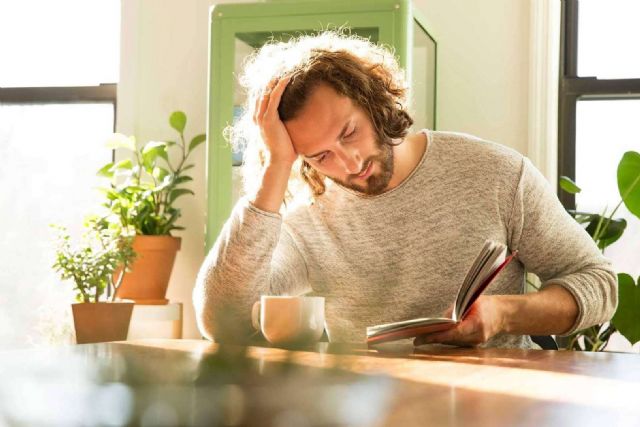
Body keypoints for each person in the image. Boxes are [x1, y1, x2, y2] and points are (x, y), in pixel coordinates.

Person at [193, 30, 617, 348]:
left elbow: (599, 284)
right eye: (319, 156)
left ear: (375, 100)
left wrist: (503, 314)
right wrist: (277, 168)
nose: (349, 163)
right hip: (363, 408)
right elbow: (221, 320)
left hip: (490, 405)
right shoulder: (307, 215)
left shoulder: (495, 173)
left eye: (348, 132)